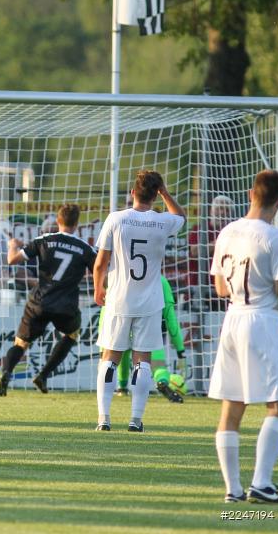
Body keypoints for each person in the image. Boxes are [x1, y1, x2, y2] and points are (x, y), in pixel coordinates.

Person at [208, 170, 278, 504]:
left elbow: (218, 286)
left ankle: (233, 490)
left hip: (232, 319)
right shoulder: (272, 237)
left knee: (233, 406)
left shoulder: (228, 231)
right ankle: (262, 483)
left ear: (250, 194)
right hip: (262, 320)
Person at [93, 170, 186, 432]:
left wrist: (98, 288)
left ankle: (104, 418)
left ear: (133, 192)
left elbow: (101, 262)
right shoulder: (163, 221)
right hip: (150, 300)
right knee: (142, 360)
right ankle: (135, 419)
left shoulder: (116, 218)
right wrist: (166, 193)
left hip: (119, 298)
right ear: (156, 195)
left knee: (109, 357)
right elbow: (181, 217)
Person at [0, 203, 96, 396]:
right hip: (66, 305)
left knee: (21, 343)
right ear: (77, 224)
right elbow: (99, 272)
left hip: (39, 301)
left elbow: (13, 260)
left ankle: (6, 373)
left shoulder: (44, 240)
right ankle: (43, 375)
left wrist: (12, 246)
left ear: (58, 221)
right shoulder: (85, 249)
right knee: (71, 334)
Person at [111, 276, 186, 403]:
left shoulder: (121, 276)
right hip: (148, 328)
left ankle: (122, 387)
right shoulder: (160, 280)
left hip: (122, 326)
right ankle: (162, 381)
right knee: (157, 364)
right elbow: (170, 318)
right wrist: (180, 349)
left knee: (121, 356)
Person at [188, 194, 233, 302]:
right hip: (198, 291)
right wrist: (221, 242)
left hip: (224, 293)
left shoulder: (233, 232)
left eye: (226, 210)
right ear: (211, 211)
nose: (222, 213)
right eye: (219, 209)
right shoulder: (200, 229)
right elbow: (195, 251)